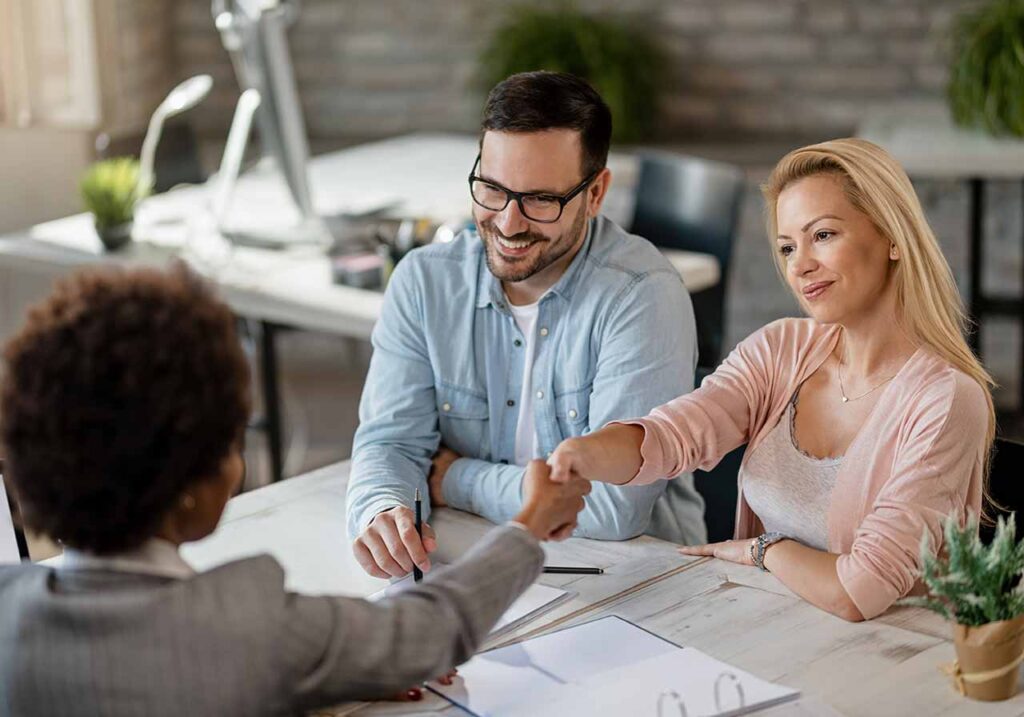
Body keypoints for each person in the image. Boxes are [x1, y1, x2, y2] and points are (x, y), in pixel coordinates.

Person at [0, 265, 590, 716]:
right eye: (232, 445)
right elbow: (432, 631)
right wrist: (530, 521)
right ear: (187, 488)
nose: (237, 468)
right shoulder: (251, 628)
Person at [548, 138, 995, 622]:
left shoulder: (946, 400)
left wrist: (762, 550)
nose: (800, 266)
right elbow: (675, 435)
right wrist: (582, 455)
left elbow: (860, 590)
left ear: (892, 236)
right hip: (772, 624)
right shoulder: (782, 349)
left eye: (823, 235)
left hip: (891, 654)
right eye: (787, 246)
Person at [346, 70, 706, 581]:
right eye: (492, 189)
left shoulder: (642, 293)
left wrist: (458, 479)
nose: (509, 223)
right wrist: (383, 508)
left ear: (596, 193)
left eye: (541, 199)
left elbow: (611, 509)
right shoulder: (425, 283)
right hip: (472, 558)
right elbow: (391, 444)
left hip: (635, 581)